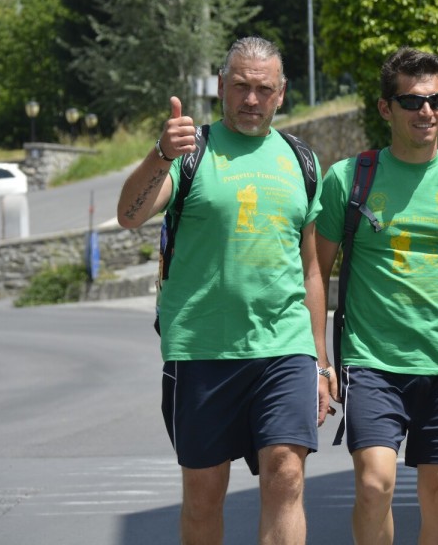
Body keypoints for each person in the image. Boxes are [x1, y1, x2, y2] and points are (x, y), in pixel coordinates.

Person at [117, 36, 336, 545]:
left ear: (282, 94)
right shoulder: (191, 154)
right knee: (203, 494)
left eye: (263, 89)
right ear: (220, 87)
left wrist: (321, 362)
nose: (251, 99)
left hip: (284, 350)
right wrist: (159, 155)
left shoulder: (302, 161)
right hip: (201, 350)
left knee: (286, 474)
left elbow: (311, 271)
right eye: (240, 86)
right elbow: (129, 216)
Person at [315, 47, 438, 545]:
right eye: (412, 101)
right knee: (375, 484)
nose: (426, 111)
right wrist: (318, 360)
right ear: (386, 109)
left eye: (437, 100)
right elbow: (313, 272)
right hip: (372, 361)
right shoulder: (348, 180)